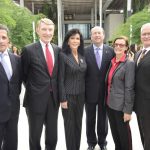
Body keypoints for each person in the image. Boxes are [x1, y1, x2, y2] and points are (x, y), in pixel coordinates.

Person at [21, 18, 60, 150]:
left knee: (52, 134)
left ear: (53, 31)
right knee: (35, 134)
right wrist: (35, 89)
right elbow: (24, 75)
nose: (47, 32)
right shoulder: (28, 50)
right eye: (44, 29)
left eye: (50, 30)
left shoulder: (57, 50)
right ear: (38, 30)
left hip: (53, 99)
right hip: (35, 100)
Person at [85, 26, 114, 150]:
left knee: (103, 119)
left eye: (99, 33)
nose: (97, 35)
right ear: (91, 36)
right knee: (90, 119)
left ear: (103, 35)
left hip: (105, 92)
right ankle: (91, 143)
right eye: (94, 33)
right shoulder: (84, 51)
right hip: (89, 91)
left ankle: (102, 143)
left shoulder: (111, 51)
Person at [59, 28, 87, 150]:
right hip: (68, 96)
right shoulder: (63, 56)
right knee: (69, 126)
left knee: (78, 124)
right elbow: (60, 79)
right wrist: (63, 99)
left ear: (80, 41)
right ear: (67, 41)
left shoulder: (82, 56)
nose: (75, 41)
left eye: (77, 38)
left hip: (81, 95)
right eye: (72, 38)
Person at [106, 36, 135, 150]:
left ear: (126, 48)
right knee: (115, 136)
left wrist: (128, 111)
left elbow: (129, 88)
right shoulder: (112, 61)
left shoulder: (129, 63)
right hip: (110, 104)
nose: (118, 47)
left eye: (121, 45)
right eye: (116, 44)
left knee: (124, 138)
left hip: (121, 107)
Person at [0, 24, 22, 150]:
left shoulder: (16, 59)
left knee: (11, 144)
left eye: (3, 37)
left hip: (13, 111)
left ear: (9, 40)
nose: (1, 40)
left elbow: (17, 82)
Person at [134, 23, 150, 150]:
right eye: (144, 34)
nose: (146, 36)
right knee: (143, 133)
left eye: (149, 33)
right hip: (139, 104)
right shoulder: (138, 53)